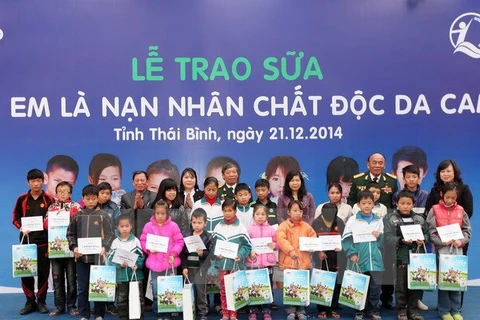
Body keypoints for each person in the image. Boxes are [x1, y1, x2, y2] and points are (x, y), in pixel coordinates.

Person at [67, 184, 115, 320]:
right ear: (83, 198)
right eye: (88, 199)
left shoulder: (103, 215)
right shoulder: (77, 215)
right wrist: (74, 247)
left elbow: (111, 234)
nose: (91, 201)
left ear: (98, 199)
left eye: (93, 198)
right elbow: (70, 234)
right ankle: (84, 314)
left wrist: (105, 247)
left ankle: (99, 313)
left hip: (98, 258)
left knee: (99, 286)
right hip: (81, 258)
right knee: (82, 288)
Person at [12, 169, 55, 315]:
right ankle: (30, 302)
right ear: (28, 182)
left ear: (43, 181)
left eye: (39, 180)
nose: (36, 184)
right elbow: (15, 217)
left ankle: (41, 301)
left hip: (44, 242)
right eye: (33, 181)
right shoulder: (21, 199)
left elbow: (53, 221)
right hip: (27, 243)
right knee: (26, 273)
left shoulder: (49, 199)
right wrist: (21, 227)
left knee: (43, 273)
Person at [426, 182, 471, 320]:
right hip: (442, 251)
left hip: (457, 250)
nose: (450, 200)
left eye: (453, 198)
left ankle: (456, 310)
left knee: (457, 280)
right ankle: (444, 310)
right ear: (441, 195)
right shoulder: (434, 210)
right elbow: (430, 232)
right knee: (444, 282)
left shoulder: (461, 210)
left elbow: (467, 231)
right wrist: (440, 242)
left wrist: (461, 241)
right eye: (447, 197)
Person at [384, 191, 429, 320]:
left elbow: (427, 234)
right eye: (402, 203)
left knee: (416, 284)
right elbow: (387, 237)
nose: (405, 206)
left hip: (416, 257)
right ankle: (401, 310)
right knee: (400, 285)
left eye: (408, 203)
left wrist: (423, 239)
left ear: (413, 204)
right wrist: (400, 240)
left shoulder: (419, 219)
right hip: (400, 257)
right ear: (396, 203)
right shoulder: (390, 219)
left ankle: (413, 310)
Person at [342, 190, 384, 320]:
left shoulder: (378, 220)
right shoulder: (352, 220)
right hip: (358, 259)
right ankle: (358, 311)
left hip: (375, 260)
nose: (366, 205)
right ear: (358, 205)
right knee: (359, 286)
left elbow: (382, 242)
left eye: (369, 203)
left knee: (375, 287)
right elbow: (346, 239)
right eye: (363, 203)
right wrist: (352, 253)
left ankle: (373, 311)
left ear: (373, 204)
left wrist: (379, 236)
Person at [140, 200, 184, 319]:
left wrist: (173, 254)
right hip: (154, 264)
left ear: (167, 213)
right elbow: (143, 241)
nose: (160, 216)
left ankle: (168, 313)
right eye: (157, 213)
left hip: (169, 264)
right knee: (155, 289)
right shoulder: (148, 226)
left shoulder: (173, 226)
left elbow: (179, 241)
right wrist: (148, 249)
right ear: (154, 213)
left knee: (168, 290)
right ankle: (159, 312)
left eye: (163, 213)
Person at [44, 181, 81, 316]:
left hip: (71, 249)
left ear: (70, 193)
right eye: (60, 191)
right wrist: (56, 216)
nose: (62, 193)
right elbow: (46, 224)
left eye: (65, 191)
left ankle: (71, 305)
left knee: (72, 279)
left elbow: (79, 223)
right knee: (57, 279)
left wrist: (67, 216)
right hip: (56, 249)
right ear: (56, 193)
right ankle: (59, 306)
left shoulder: (76, 206)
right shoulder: (52, 207)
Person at [212, 198, 252, 320]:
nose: (227, 213)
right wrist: (216, 253)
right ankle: (225, 313)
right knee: (223, 289)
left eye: (230, 210)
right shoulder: (218, 226)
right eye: (225, 210)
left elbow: (248, 245)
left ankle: (233, 313)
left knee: (234, 289)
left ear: (235, 211)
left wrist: (240, 255)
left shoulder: (240, 227)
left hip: (235, 265)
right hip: (222, 265)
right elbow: (213, 243)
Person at [277, 200, 317, 320]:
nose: (298, 213)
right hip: (288, 261)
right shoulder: (283, 226)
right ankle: (290, 310)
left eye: (300, 211)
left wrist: (312, 247)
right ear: (288, 212)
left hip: (303, 262)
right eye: (295, 210)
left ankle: (301, 310)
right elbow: (281, 240)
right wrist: (291, 251)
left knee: (301, 286)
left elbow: (313, 237)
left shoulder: (306, 226)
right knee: (290, 286)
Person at [107, 214, 145, 320]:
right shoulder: (115, 242)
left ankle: (139, 316)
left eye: (127, 226)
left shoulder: (135, 241)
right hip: (121, 276)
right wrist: (119, 263)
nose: (124, 229)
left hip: (136, 275)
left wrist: (137, 265)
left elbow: (141, 256)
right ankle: (123, 316)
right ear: (117, 228)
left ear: (131, 226)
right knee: (122, 298)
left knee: (138, 297)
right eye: (122, 226)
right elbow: (110, 257)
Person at [312, 203, 346, 319]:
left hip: (337, 257)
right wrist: (318, 251)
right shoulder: (316, 223)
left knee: (336, 284)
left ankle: (333, 308)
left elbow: (344, 238)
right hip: (322, 258)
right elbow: (312, 239)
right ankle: (322, 309)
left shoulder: (340, 222)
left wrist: (340, 247)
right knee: (322, 283)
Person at [246, 204, 278, 320]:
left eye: (263, 214)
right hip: (253, 263)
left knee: (267, 286)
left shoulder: (271, 229)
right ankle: (253, 310)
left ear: (267, 216)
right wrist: (250, 252)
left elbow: (277, 244)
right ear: (253, 215)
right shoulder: (249, 229)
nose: (260, 217)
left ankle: (266, 309)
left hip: (267, 264)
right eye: (257, 214)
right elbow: (246, 244)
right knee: (253, 286)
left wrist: (274, 245)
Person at [180, 208, 214, 320]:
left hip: (201, 269)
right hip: (189, 268)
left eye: (199, 223)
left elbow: (211, 255)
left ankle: (203, 311)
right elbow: (183, 254)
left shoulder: (208, 237)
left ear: (205, 223)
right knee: (189, 289)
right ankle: (190, 309)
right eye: (194, 222)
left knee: (201, 291)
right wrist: (184, 267)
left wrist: (202, 253)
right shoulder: (187, 236)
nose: (197, 225)